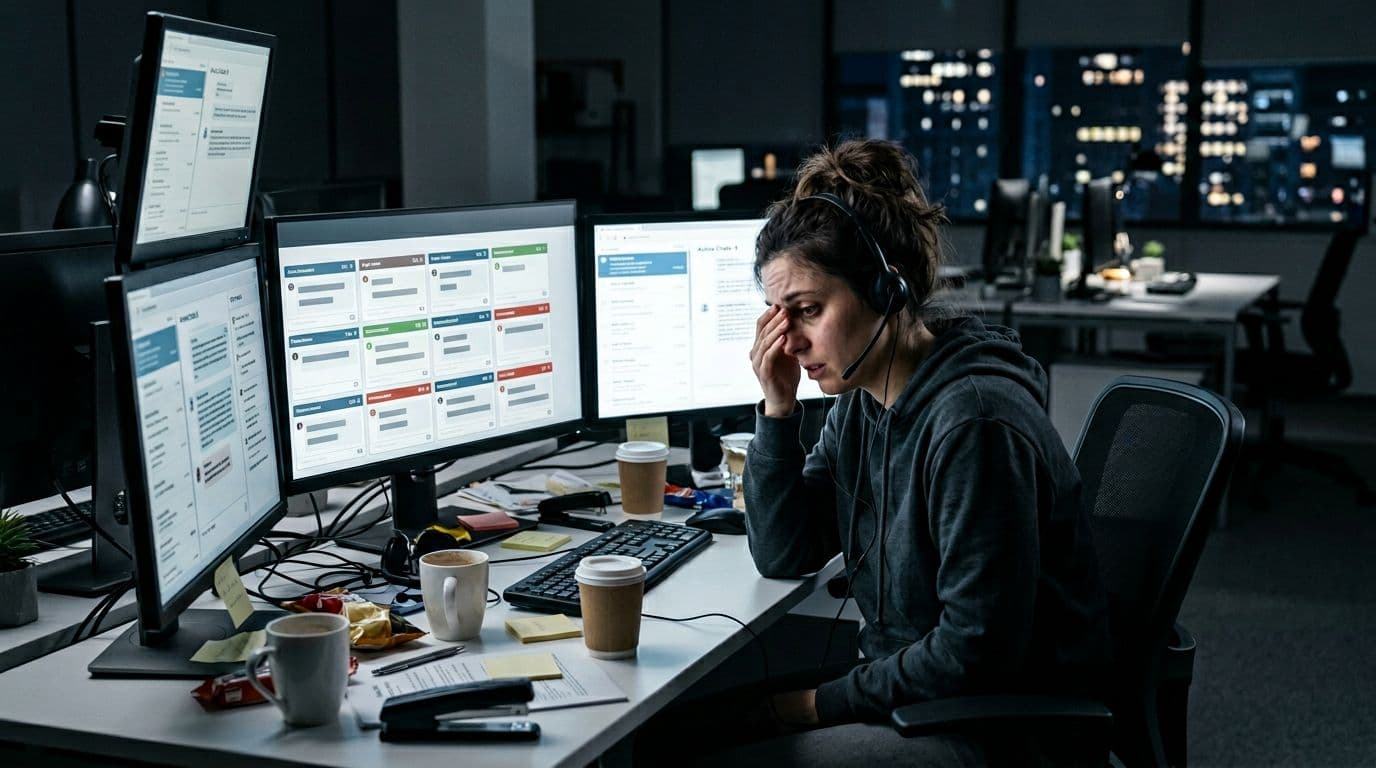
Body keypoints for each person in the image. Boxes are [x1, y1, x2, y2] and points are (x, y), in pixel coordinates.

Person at [722, 139, 1113, 764]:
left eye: (808, 311)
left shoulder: (975, 425)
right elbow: (784, 551)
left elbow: (973, 652)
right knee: (692, 723)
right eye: (776, 315)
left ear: (887, 290)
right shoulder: (860, 398)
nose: (788, 341)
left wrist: (814, 704)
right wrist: (777, 411)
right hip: (911, 694)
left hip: (989, 727)